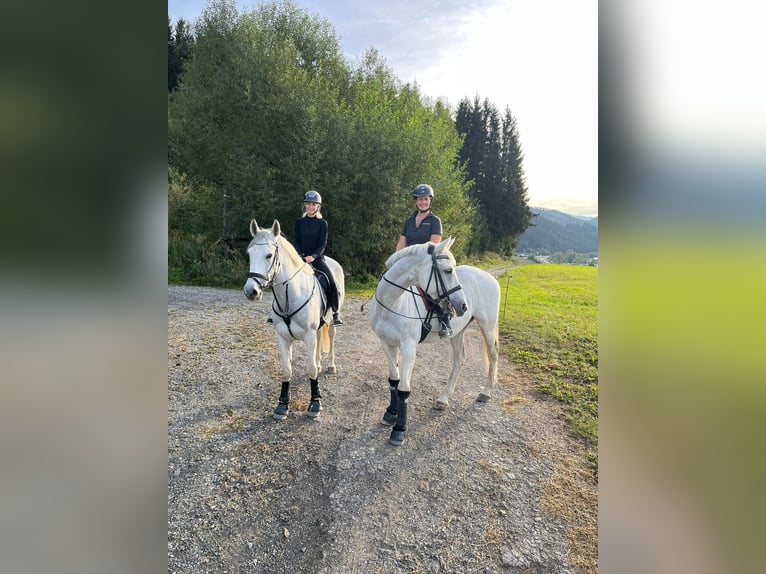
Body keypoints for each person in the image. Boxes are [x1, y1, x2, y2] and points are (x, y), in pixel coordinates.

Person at [395, 184, 452, 337]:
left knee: (435, 288)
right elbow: (401, 243)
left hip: (427, 262)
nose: (423, 202)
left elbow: (434, 245)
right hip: (409, 262)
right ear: (416, 201)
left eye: (426, 199)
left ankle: (445, 320)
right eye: (420, 199)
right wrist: (396, 260)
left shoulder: (434, 221)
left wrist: (418, 260)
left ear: (430, 201)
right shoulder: (409, 221)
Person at [294, 190, 343, 326]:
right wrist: (301, 255)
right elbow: (297, 242)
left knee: (332, 282)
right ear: (305, 206)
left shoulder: (322, 224)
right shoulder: (299, 223)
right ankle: (275, 313)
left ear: (317, 207)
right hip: (301, 258)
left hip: (317, 258)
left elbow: (323, 243)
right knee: (284, 277)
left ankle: (335, 313)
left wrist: (313, 256)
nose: (310, 207)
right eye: (308, 204)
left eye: (313, 204)